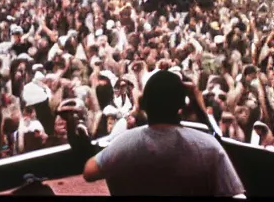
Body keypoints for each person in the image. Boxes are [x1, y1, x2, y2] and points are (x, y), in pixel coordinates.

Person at [83, 70, 246, 197]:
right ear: (181, 105)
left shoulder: (125, 144)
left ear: (144, 104)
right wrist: (198, 104)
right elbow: (231, 189)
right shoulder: (208, 146)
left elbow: (89, 172)